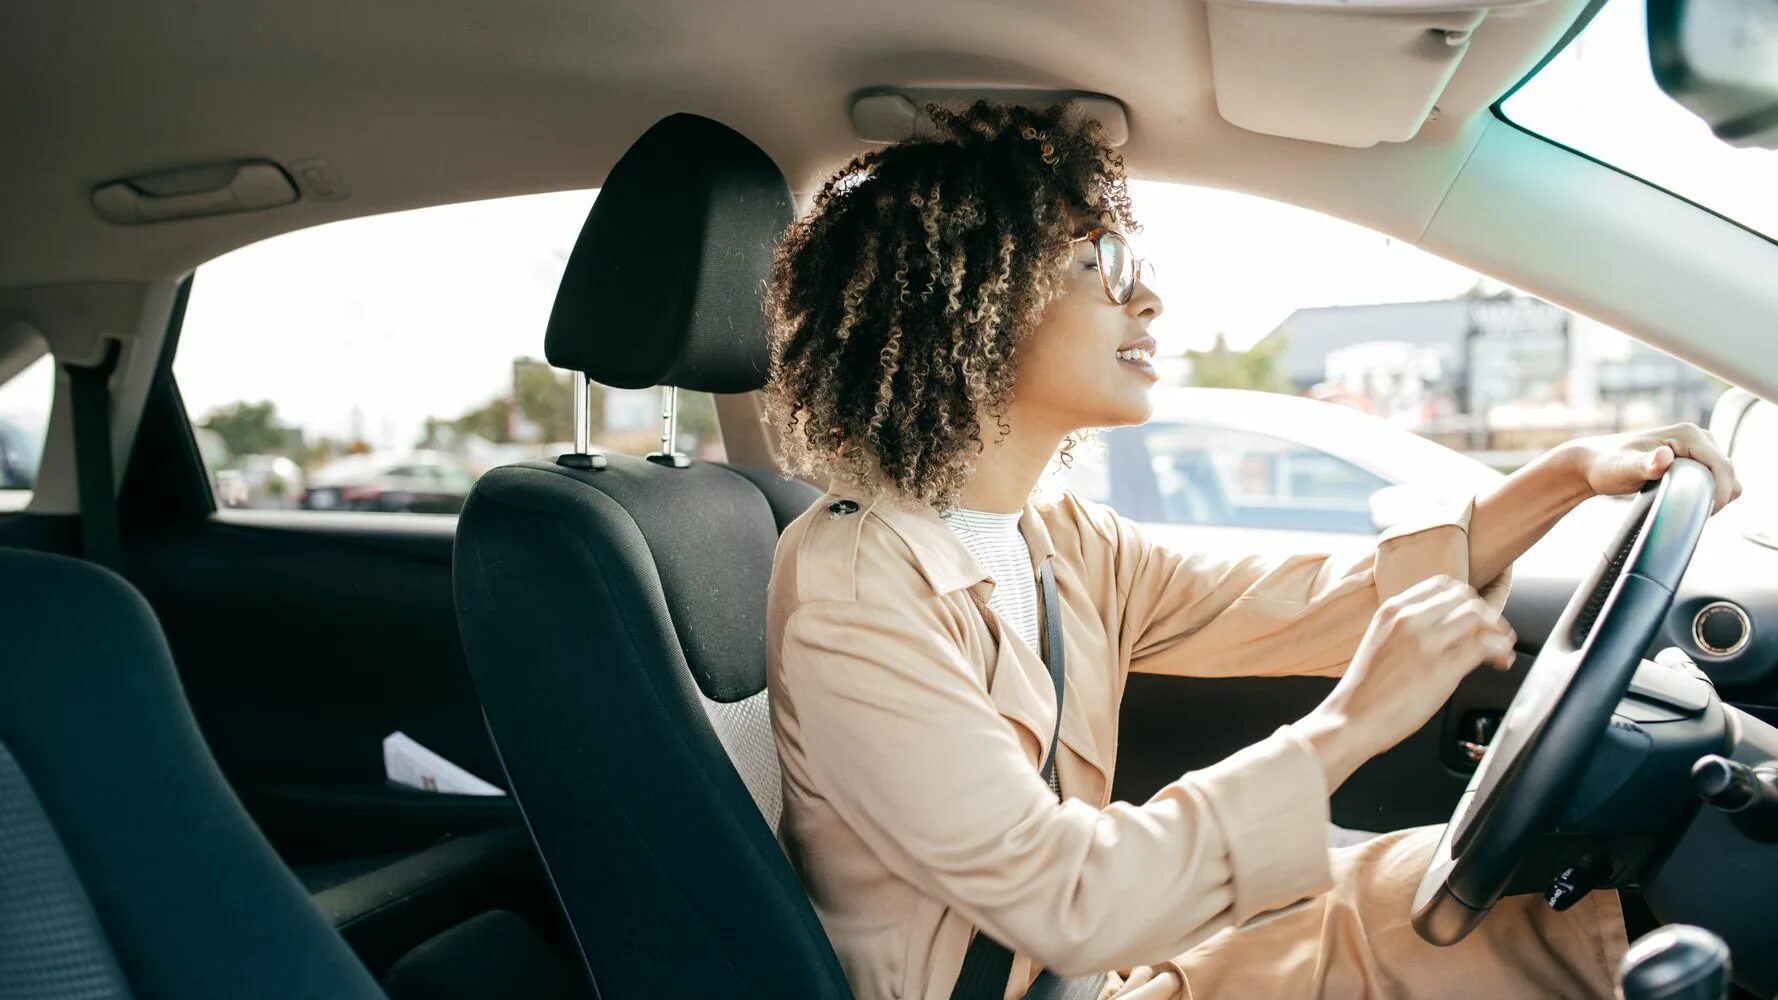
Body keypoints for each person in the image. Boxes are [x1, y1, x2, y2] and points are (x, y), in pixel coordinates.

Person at [759, 102, 1741, 1000]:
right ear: (961, 304)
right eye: (1096, 262)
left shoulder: (1051, 537)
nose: (1144, 298)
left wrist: (1563, 479)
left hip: (1094, 972)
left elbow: (1329, 601)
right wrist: (1352, 719)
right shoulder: (853, 594)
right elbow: (1066, 896)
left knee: (1510, 896)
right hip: (1049, 974)